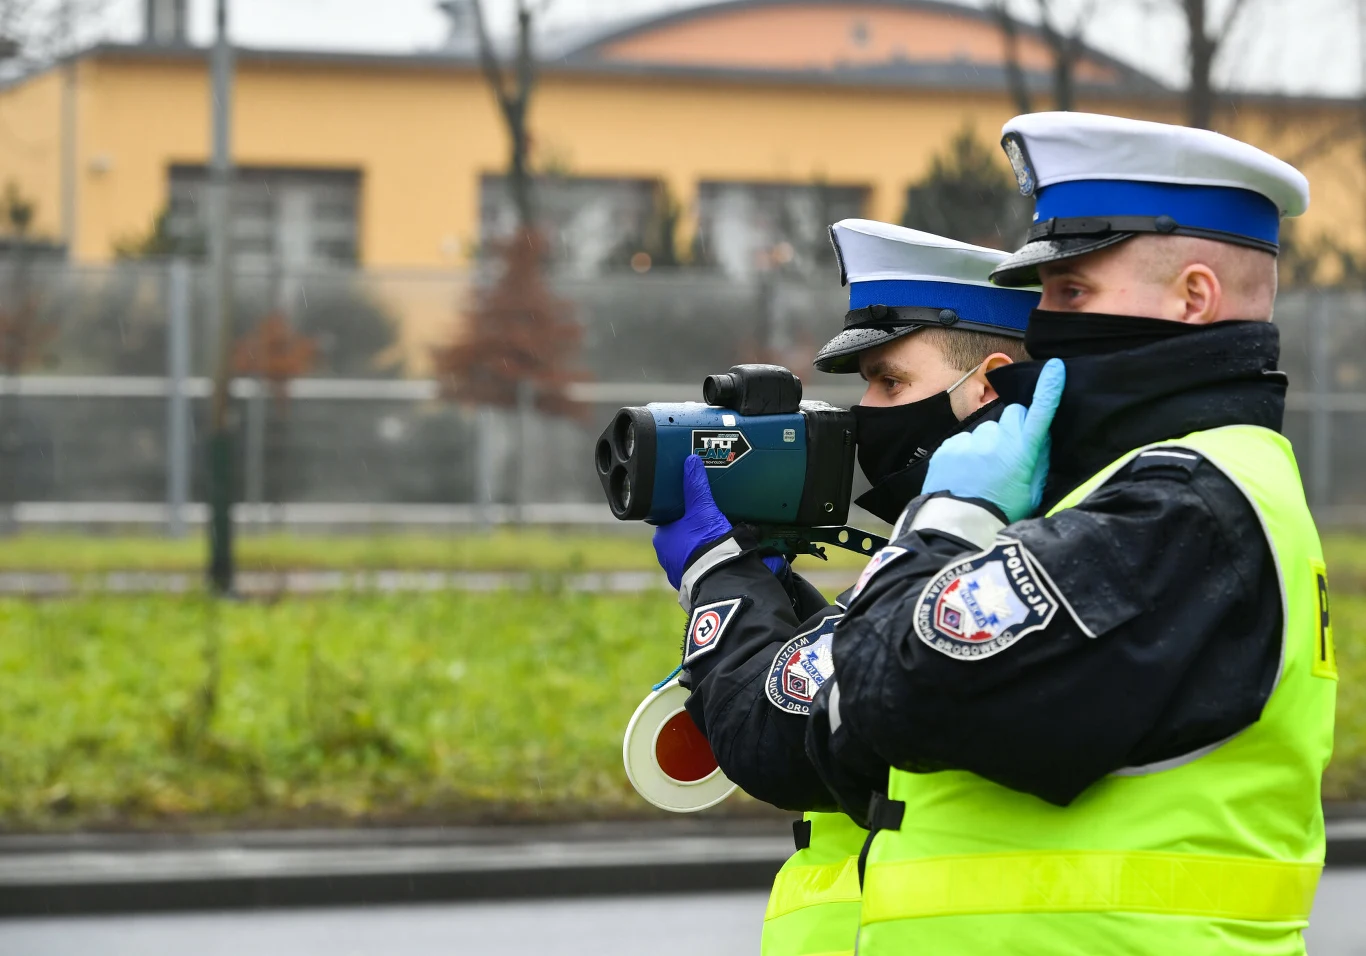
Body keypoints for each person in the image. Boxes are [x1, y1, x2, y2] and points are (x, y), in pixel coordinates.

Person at [807, 112, 1337, 955]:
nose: (1043, 323)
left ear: (1192, 297)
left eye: (1072, 291)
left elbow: (884, 696)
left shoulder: (1177, 508)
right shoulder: (1157, 485)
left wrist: (952, 521)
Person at [650, 219, 1039, 956]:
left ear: (984, 386)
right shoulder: (951, 539)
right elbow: (855, 671)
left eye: (891, 382)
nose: (866, 416)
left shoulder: (993, 549)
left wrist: (719, 578)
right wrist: (781, 597)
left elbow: (777, 734)